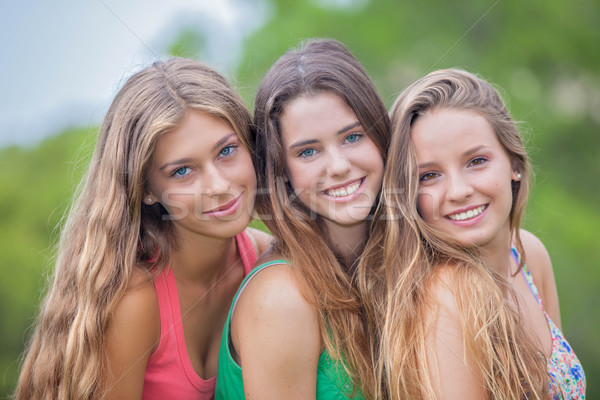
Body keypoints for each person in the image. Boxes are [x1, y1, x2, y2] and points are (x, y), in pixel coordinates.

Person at [15, 58, 271, 399]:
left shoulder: (265, 260)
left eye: (226, 150)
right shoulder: (135, 301)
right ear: (146, 189)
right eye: (182, 171)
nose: (218, 185)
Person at [374, 68, 585, 399]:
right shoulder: (447, 297)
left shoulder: (528, 253)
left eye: (476, 161)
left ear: (514, 163)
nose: (458, 191)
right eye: (429, 176)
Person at [214, 38, 390, 400]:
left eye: (353, 137)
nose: (339, 167)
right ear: (282, 171)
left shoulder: (394, 264)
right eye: (308, 151)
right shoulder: (282, 296)